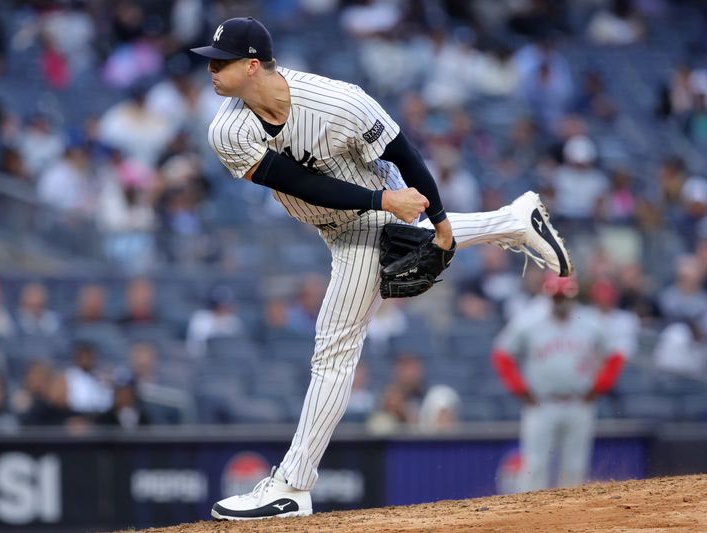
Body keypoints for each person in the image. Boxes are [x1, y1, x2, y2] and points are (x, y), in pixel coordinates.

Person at [190, 17, 572, 520]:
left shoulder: (338, 102)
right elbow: (298, 183)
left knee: (333, 353)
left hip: (370, 221)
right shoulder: (227, 128)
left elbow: (407, 158)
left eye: (222, 62)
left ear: (254, 64)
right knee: (335, 352)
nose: (211, 70)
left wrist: (435, 219)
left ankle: (293, 486)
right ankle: (514, 219)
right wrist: (390, 203)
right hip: (360, 211)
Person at [491, 275, 625, 492]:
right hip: (542, 403)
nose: (561, 301)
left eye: (565, 296)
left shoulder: (590, 321)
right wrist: (520, 389)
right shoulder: (530, 320)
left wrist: (599, 386)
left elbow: (616, 355)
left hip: (578, 402)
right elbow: (501, 354)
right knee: (535, 467)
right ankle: (530, 520)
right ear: (548, 295)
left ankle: (571, 521)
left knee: (575, 468)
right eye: (556, 297)